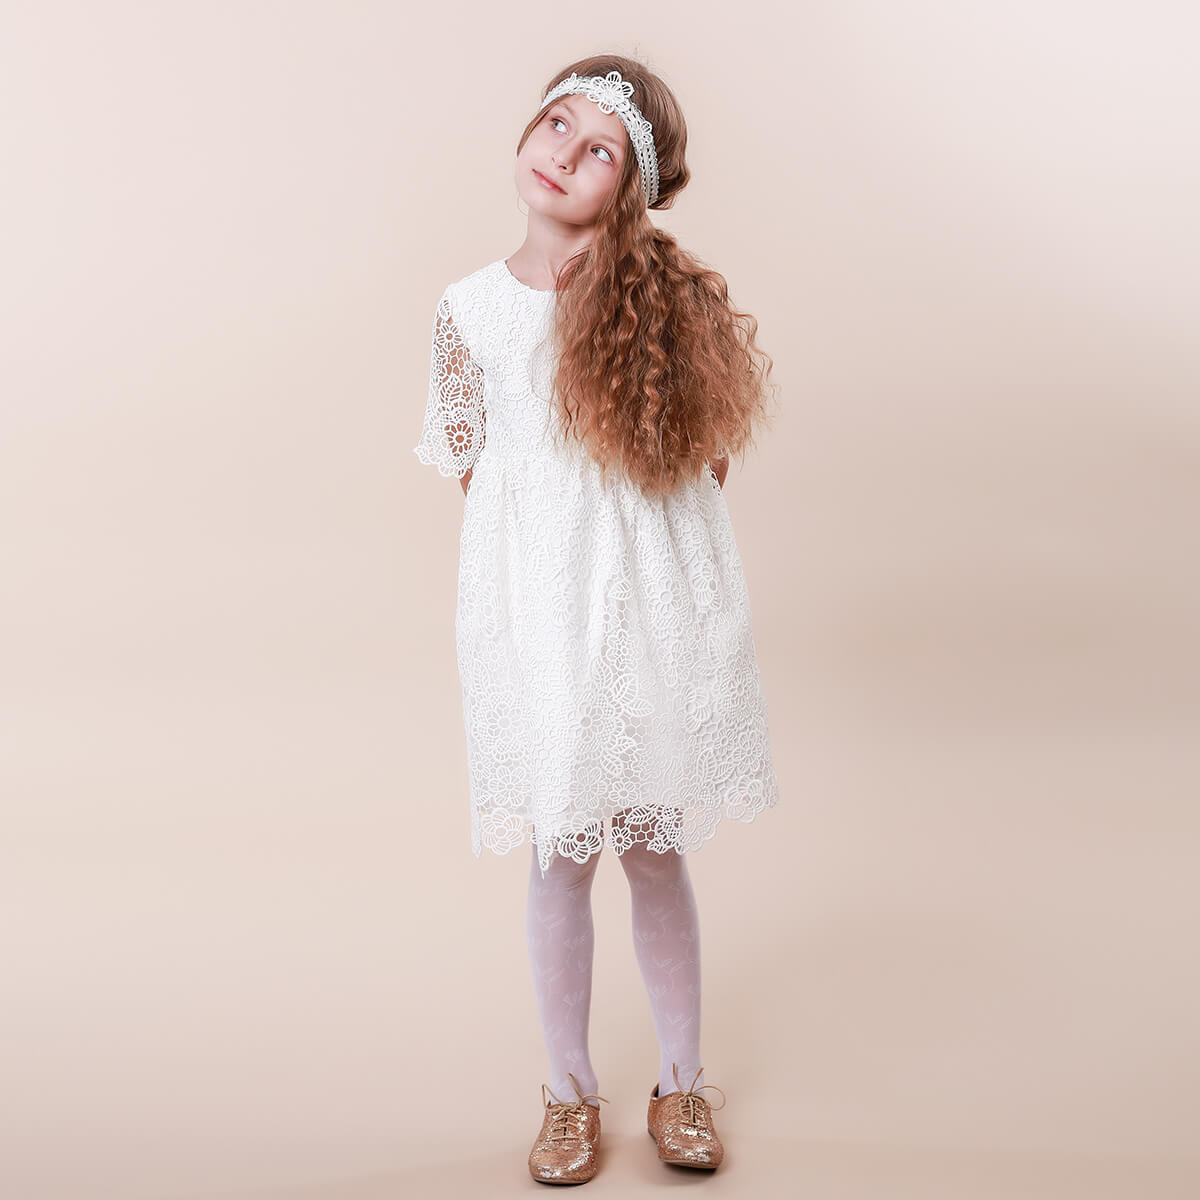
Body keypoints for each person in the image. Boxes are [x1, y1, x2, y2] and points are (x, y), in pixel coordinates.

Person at [413, 53, 780, 1184]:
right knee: (560, 855)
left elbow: (705, 464)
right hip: (542, 614)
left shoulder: (659, 302)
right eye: (557, 125)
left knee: (655, 850)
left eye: (599, 150)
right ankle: (568, 1094)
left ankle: (681, 1081)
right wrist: (542, 583)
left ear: (630, 187)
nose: (564, 155)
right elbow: (475, 470)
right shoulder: (469, 310)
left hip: (645, 611)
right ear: (529, 130)